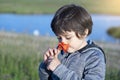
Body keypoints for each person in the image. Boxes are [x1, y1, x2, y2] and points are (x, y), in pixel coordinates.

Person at [39, 4, 106, 80]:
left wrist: (58, 68)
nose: (63, 42)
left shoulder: (94, 56)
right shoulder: (60, 52)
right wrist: (46, 65)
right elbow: (44, 78)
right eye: (59, 38)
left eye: (68, 37)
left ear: (84, 33)